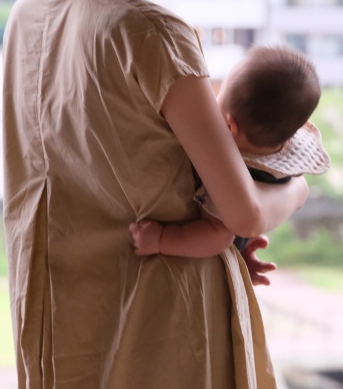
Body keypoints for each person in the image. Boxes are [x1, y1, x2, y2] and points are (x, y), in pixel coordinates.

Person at [2, 0, 309, 389]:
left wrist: (211, 234)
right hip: (163, 327)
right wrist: (295, 190)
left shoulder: (28, 14)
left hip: (62, 323)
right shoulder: (151, 33)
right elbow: (243, 209)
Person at [130, 45, 330, 267]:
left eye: (219, 96)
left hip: (219, 237)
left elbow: (218, 236)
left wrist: (161, 239)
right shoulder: (281, 153)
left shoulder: (235, 176)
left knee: (217, 229)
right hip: (249, 227)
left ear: (229, 126)